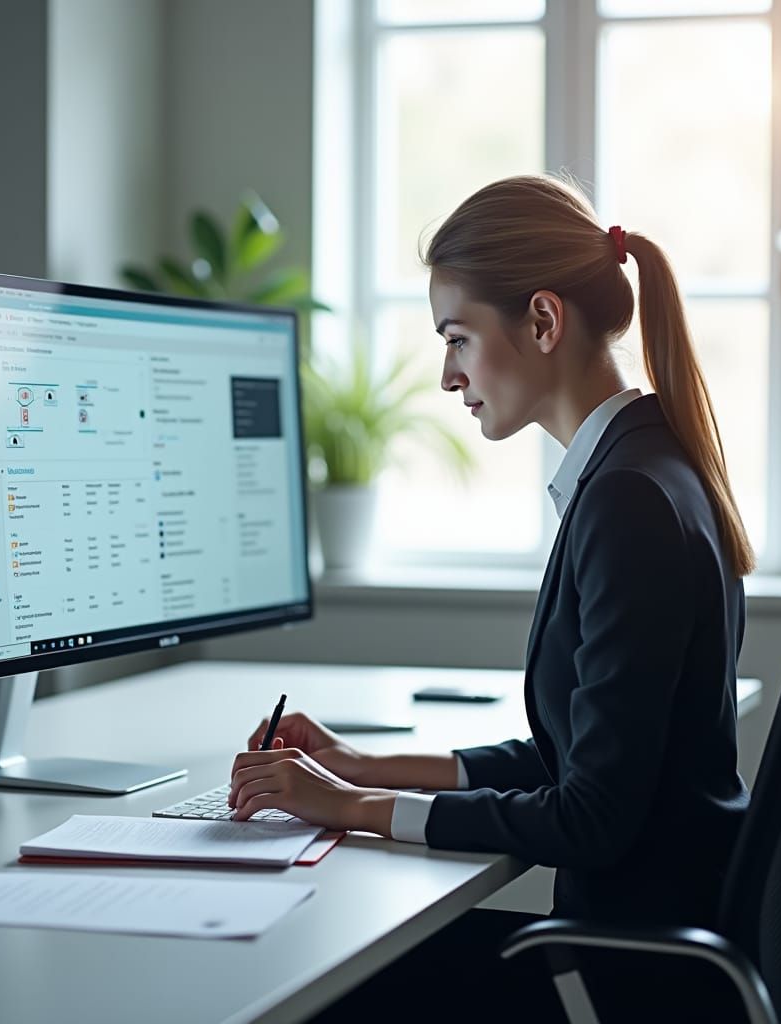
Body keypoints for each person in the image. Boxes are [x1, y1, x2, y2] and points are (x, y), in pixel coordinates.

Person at [229, 174, 753, 1021]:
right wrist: (361, 767)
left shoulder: (628, 499)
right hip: (658, 946)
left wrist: (351, 808)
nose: (448, 375)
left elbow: (590, 819)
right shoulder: (645, 465)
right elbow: (578, 758)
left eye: (458, 339)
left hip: (631, 980)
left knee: (308, 978)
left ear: (543, 321)